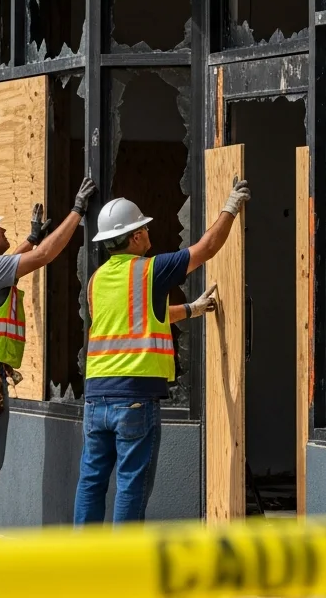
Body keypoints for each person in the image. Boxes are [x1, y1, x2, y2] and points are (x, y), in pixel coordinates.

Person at [73, 179, 250, 525]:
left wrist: (192, 309)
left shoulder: (97, 280)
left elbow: (138, 318)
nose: (148, 231)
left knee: (91, 482)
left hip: (95, 399)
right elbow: (206, 249)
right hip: (135, 399)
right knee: (131, 485)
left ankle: (87, 565)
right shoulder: (150, 269)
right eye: (144, 227)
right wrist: (230, 207)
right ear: (135, 237)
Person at [0, 177, 95, 534]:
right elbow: (41, 258)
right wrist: (77, 211)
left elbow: (16, 258)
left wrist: (33, 235)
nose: (3, 230)